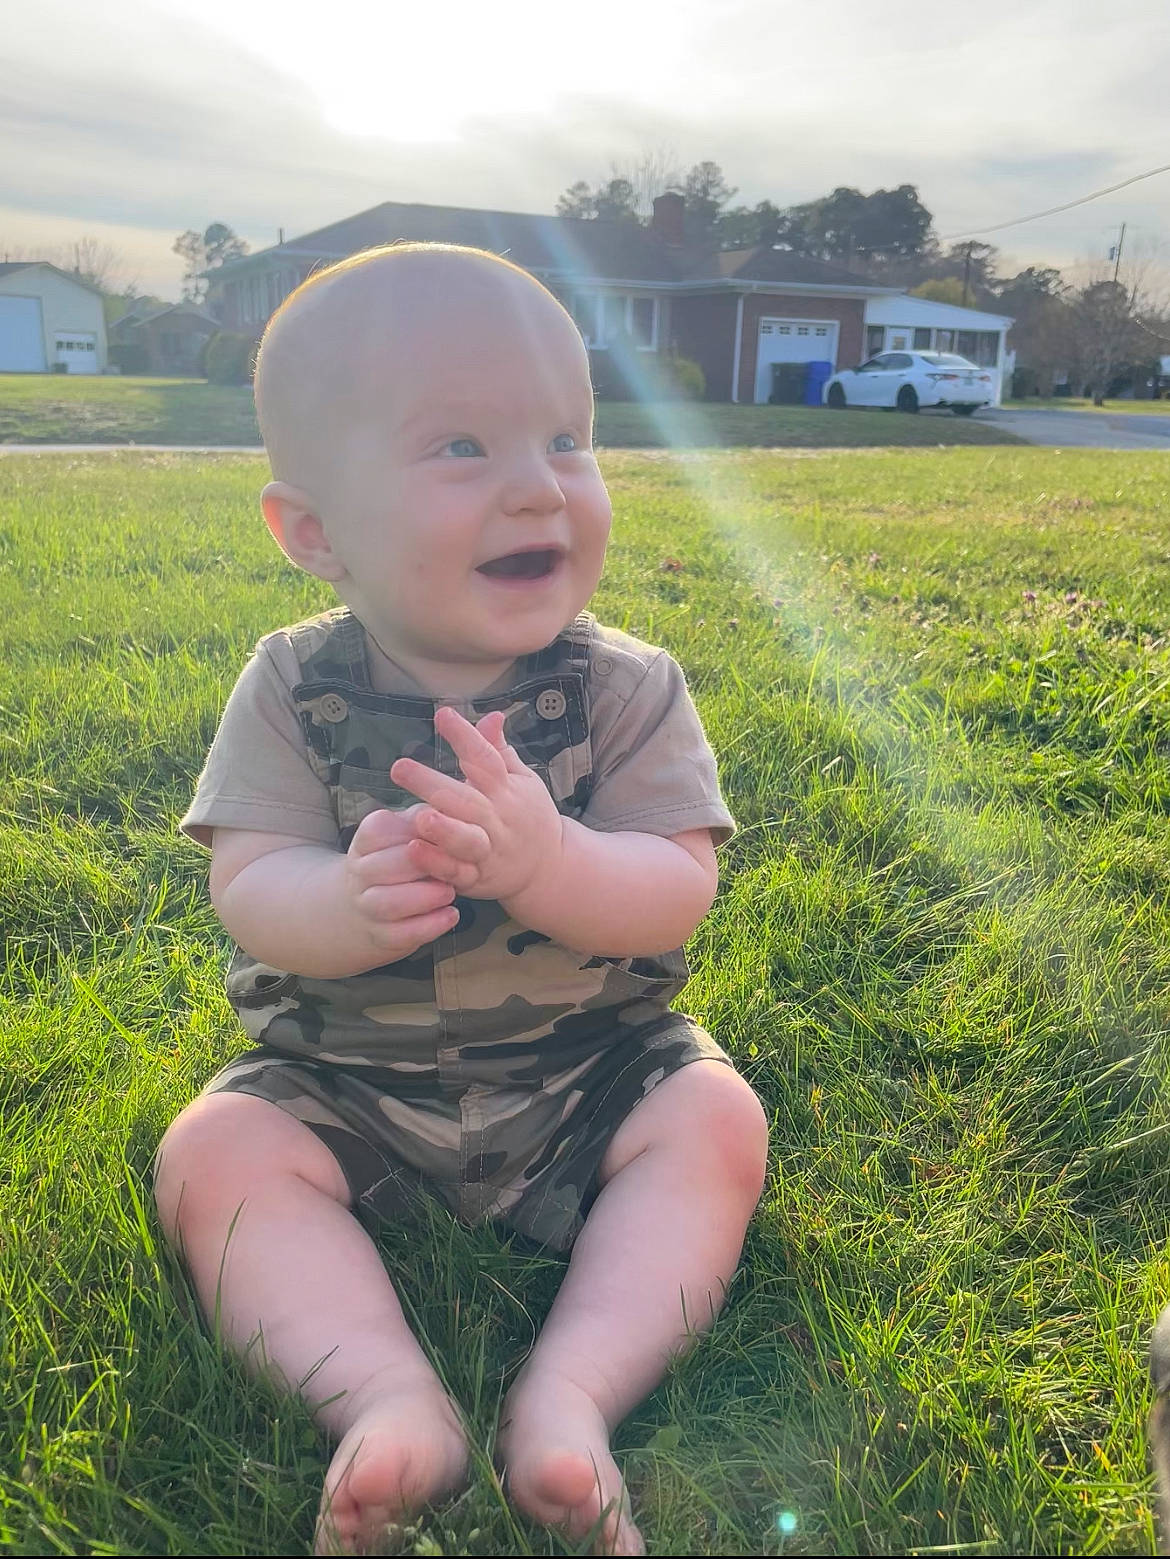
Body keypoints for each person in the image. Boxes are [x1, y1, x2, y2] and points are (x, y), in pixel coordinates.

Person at [154, 242, 769, 1557]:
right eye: (459, 448)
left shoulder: (625, 689)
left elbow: (674, 889)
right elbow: (247, 878)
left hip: (591, 1078)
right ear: (312, 532)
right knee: (217, 1158)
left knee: (712, 1118)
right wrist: (341, 901)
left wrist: (551, 868)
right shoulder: (289, 686)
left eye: (566, 438)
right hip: (349, 1090)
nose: (538, 488)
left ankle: (572, 1393)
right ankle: (383, 1397)